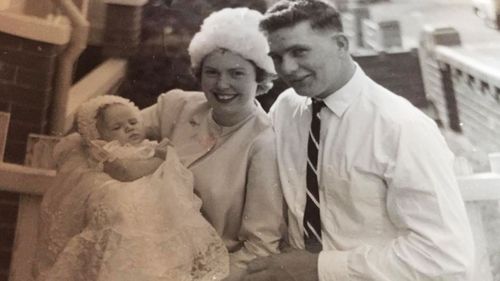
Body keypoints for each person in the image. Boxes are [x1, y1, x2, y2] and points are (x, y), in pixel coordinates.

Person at [243, 0, 475, 280]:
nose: (288, 68)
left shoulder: (401, 126)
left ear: (341, 44)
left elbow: (444, 254)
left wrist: (319, 268)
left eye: (299, 51)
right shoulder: (286, 109)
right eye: (277, 57)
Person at [103, 7, 285, 280]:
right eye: (212, 72)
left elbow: (260, 247)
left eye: (237, 73)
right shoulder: (177, 106)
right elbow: (108, 133)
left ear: (259, 78)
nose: (222, 84)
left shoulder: (264, 143)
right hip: (139, 253)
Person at [35, 95, 229, 281]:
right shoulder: (107, 151)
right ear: (99, 136)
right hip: (128, 211)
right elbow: (125, 173)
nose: (128, 129)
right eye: (117, 127)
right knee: (126, 242)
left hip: (158, 211)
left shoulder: (149, 147)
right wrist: (160, 159)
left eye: (132, 122)